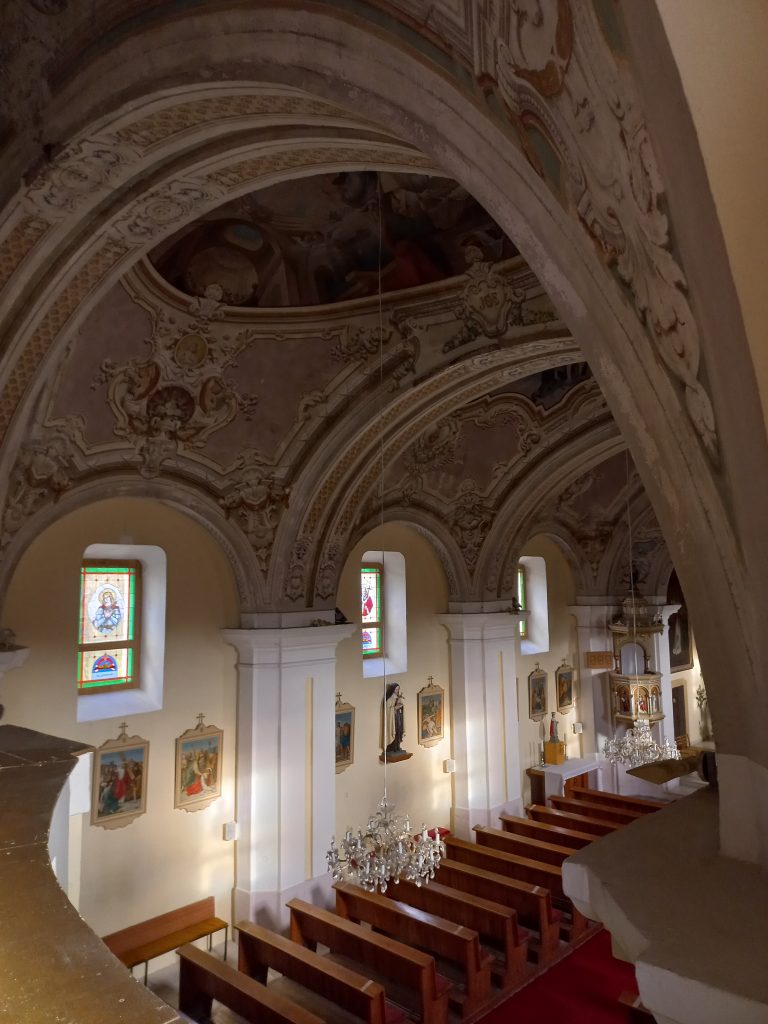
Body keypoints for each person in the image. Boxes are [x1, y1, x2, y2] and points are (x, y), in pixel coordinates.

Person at [382, 682, 406, 754]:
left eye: (398, 689)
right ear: (392, 690)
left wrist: (401, 706)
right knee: (394, 731)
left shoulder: (398, 698)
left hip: (399, 717)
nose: (397, 691)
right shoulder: (389, 699)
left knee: (399, 730)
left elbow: (402, 707)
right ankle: (392, 747)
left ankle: (398, 746)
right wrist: (395, 708)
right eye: (396, 689)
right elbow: (387, 711)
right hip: (392, 719)